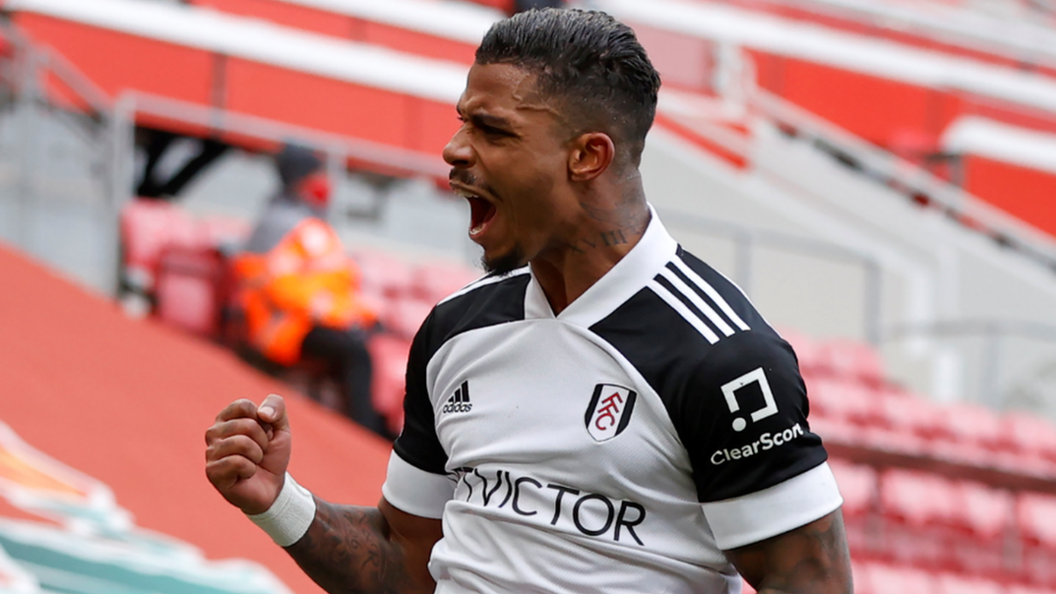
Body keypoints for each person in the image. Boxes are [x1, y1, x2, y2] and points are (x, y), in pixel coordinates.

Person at [205, 9, 853, 594]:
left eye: (492, 130)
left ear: (587, 156)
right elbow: (406, 564)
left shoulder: (725, 358)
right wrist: (276, 500)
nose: (454, 150)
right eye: (463, 122)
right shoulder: (454, 331)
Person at [231, 143, 385, 435]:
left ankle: (368, 424)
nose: (324, 183)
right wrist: (340, 316)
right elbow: (286, 290)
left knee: (367, 340)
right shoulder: (283, 224)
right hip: (284, 327)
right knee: (357, 353)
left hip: (308, 319)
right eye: (318, 175)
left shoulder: (305, 219)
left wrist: (359, 315)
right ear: (302, 179)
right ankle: (364, 433)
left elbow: (339, 280)